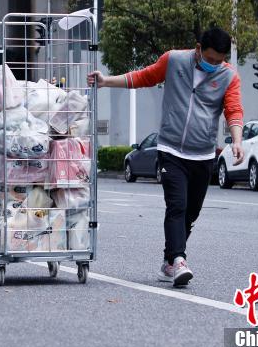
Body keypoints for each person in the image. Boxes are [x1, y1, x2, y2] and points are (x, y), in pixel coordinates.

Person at [88, 27, 245, 287]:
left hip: (203, 154)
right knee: (177, 205)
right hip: (171, 149)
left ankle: (168, 262)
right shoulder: (174, 60)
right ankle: (179, 260)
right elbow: (144, 77)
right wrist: (106, 81)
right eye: (210, 59)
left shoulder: (228, 76)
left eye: (219, 61)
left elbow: (234, 110)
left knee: (190, 214)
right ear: (198, 49)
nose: (215, 65)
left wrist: (237, 141)